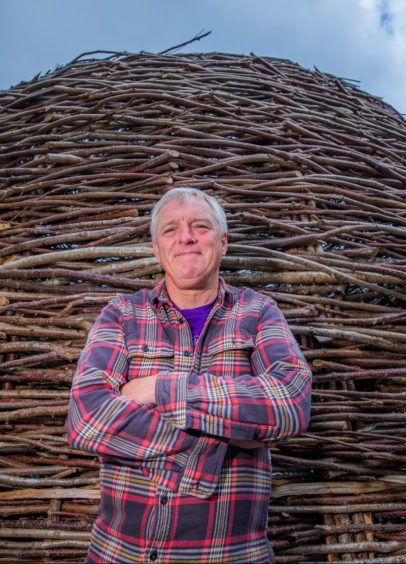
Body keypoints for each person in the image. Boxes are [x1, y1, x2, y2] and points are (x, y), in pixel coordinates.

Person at [66, 187, 312, 563]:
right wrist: (226, 441)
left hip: (232, 555)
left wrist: (160, 389)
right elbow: (85, 417)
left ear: (224, 242)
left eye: (201, 226)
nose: (186, 237)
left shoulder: (258, 311)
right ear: (156, 248)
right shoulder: (122, 315)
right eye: (171, 230)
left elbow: (291, 402)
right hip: (121, 553)